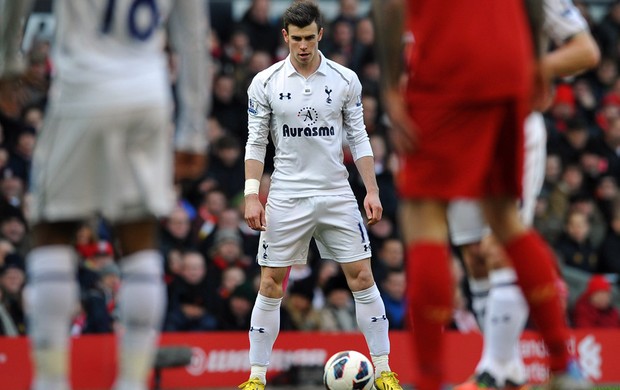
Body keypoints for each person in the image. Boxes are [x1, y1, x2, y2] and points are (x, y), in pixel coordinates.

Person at [372, 0, 596, 389]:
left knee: (425, 218)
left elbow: (389, 5)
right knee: (500, 226)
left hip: (446, 73)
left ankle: (433, 377)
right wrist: (531, 63)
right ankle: (560, 365)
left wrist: (390, 88)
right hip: (505, 66)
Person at [0, 1, 210, 389]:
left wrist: (6, 59)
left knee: (51, 230)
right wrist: (193, 130)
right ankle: (131, 380)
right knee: (139, 236)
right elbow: (193, 36)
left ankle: (50, 380)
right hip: (148, 95)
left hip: (81, 91)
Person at [240, 2, 401, 390]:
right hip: (286, 194)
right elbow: (256, 142)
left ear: (320, 35)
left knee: (363, 277)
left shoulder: (345, 79)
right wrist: (251, 195)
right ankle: (257, 378)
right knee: (270, 284)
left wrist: (372, 189)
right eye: (296, 39)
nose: (303, 46)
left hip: (335, 193)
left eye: (310, 38)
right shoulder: (265, 82)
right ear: (285, 37)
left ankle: (383, 372)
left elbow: (359, 136)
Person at [447, 1, 601, 388]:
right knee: (473, 255)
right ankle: (508, 369)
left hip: (512, 124)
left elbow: (586, 50)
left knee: (499, 243)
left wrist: (532, 71)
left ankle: (493, 371)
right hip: (459, 128)